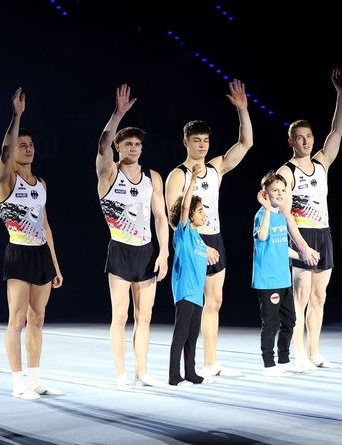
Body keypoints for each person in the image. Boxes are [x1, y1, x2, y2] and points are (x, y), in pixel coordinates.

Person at [164, 79, 253, 377]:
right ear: (185, 142)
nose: (202, 145)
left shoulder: (216, 168)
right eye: (196, 140)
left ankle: (210, 362)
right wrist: (201, 247)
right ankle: (185, 368)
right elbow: (175, 220)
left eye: (205, 140)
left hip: (215, 237)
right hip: (193, 243)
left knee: (215, 301)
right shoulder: (177, 176)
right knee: (193, 304)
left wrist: (242, 110)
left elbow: (245, 144)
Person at [96, 84, 170, 389]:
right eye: (128, 144)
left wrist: (164, 252)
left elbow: (160, 217)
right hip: (120, 250)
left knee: (145, 315)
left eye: (137, 144)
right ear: (118, 147)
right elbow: (102, 144)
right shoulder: (108, 174)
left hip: (146, 251)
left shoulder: (153, 178)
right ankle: (121, 373)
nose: (134, 148)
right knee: (120, 314)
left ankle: (142, 371)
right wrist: (118, 114)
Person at [276, 67, 342, 370]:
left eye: (309, 137)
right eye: (299, 138)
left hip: (323, 233)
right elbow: (285, 214)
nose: (305, 142)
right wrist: (302, 246)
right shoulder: (286, 172)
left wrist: (341, 94)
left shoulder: (321, 162)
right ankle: (297, 354)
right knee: (300, 297)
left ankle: (314, 351)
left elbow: (337, 131)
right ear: (291, 142)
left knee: (319, 296)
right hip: (301, 236)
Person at [0, 88, 63, 399]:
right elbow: (5, 153)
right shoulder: (6, 180)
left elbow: (45, 225)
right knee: (17, 319)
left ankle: (35, 379)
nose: (28, 148)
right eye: (22, 145)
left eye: (31, 144)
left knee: (38, 318)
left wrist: (55, 264)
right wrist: (17, 116)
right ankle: (17, 382)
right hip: (19, 252)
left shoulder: (41, 183)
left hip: (40, 254)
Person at [253, 171, 318, 376]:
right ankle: (268, 364)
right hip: (268, 280)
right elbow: (262, 236)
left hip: (283, 279)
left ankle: (283, 359)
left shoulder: (281, 216)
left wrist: (303, 256)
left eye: (283, 190)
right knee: (270, 323)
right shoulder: (262, 215)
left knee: (289, 320)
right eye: (275, 190)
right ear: (265, 193)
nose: (280, 194)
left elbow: (281, 246)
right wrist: (266, 209)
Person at [168, 164, 213, 386]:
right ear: (190, 216)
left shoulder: (198, 238)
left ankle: (190, 372)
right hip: (185, 291)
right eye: (200, 211)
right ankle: (174, 376)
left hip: (197, 294)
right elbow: (185, 207)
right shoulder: (183, 232)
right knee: (181, 334)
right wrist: (193, 179)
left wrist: (210, 251)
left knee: (193, 336)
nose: (204, 214)